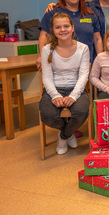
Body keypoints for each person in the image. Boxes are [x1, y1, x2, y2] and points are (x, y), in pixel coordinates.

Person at [39, 13, 90, 155]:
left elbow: (84, 75)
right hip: (54, 89)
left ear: (72, 28)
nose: (63, 30)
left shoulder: (83, 48)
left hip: (76, 88)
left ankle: (63, 137)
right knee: (48, 116)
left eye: (66, 26)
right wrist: (55, 95)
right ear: (53, 30)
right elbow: (47, 77)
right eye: (58, 27)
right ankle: (69, 133)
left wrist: (73, 96)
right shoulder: (47, 49)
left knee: (81, 112)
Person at [38, 0, 102, 67]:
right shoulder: (53, 12)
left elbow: (97, 38)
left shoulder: (90, 13)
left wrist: (100, 58)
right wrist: (41, 56)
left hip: (87, 62)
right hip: (60, 63)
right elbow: (44, 35)